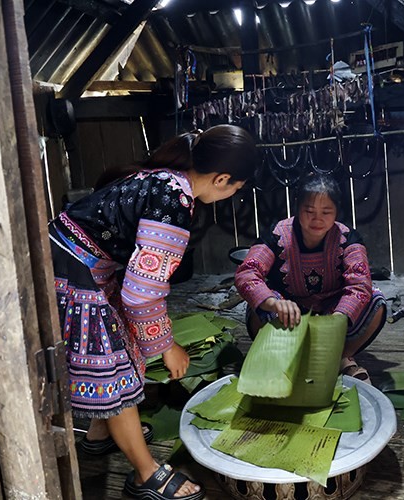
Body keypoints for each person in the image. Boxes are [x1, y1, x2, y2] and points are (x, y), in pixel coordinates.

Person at [49, 124, 256, 500]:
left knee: (121, 347)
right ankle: (147, 474)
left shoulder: (165, 178)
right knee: (116, 371)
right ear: (223, 179)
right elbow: (141, 296)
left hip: (73, 261)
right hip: (70, 270)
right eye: (234, 190)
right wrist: (166, 346)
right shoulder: (174, 202)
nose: (230, 196)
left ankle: (99, 434)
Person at [234, 174, 386, 384]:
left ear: (336, 212)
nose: (317, 219)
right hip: (288, 315)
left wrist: (338, 319)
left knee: (375, 301)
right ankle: (286, 358)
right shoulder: (277, 235)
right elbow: (247, 273)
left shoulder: (348, 238)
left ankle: (339, 357)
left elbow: (359, 284)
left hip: (332, 313)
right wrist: (273, 303)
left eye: (326, 212)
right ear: (298, 208)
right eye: (309, 211)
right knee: (258, 306)